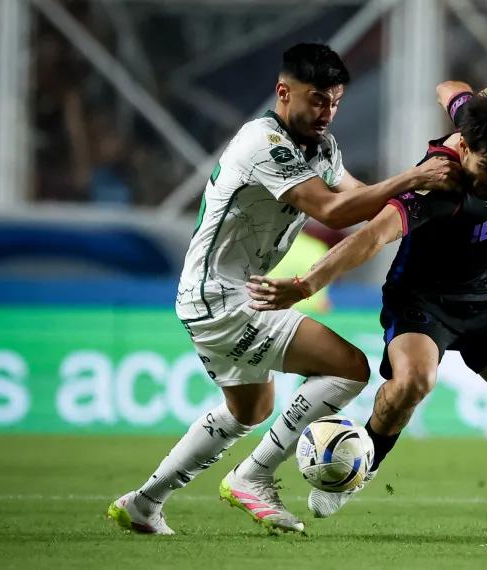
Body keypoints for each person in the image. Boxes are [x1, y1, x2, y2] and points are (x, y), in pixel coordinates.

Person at [107, 43, 461, 535]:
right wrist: (414, 176)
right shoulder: (264, 144)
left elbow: (356, 196)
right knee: (350, 368)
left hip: (219, 296)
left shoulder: (322, 147)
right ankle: (253, 476)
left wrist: (416, 193)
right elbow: (334, 212)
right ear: (283, 92)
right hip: (226, 298)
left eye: (334, 102)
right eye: (317, 100)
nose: (326, 112)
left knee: (249, 409)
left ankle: (146, 502)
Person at [247, 82, 487, 539]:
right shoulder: (436, 183)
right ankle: (357, 467)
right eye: (486, 167)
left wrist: (478, 99)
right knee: (413, 380)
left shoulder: (482, 133)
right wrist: (307, 283)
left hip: (483, 298)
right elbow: (370, 238)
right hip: (420, 300)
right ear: (463, 146)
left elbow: (448, 89)